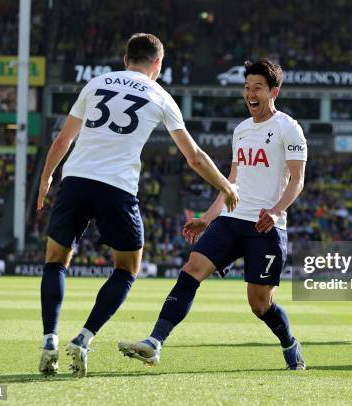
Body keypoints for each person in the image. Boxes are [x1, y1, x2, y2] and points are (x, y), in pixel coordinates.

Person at [36, 33, 239, 377]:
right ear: (157, 64)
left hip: (75, 180)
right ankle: (83, 338)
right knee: (127, 268)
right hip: (116, 188)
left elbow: (63, 138)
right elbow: (193, 157)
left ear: (125, 58)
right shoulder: (159, 96)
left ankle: (49, 340)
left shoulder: (95, 84)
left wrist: (46, 178)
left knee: (55, 261)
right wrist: (226, 185)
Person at [118, 58, 308, 370]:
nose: (250, 93)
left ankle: (290, 343)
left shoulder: (289, 128)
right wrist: (207, 217)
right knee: (192, 267)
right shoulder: (242, 130)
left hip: (266, 228)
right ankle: (154, 342)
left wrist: (275, 212)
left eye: (257, 87)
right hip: (232, 220)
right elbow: (230, 182)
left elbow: (297, 179)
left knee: (260, 305)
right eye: (246, 87)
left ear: (274, 91)